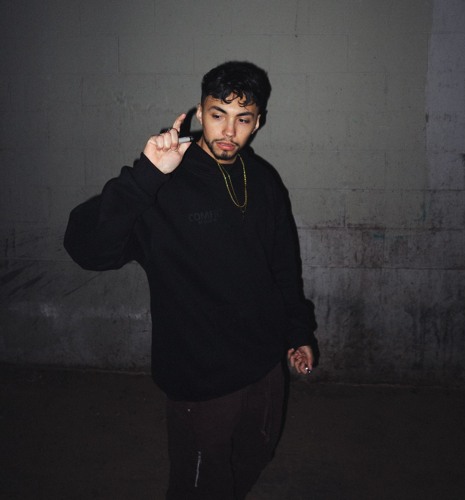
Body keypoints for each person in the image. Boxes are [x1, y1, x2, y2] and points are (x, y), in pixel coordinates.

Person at [64, 61, 316, 499]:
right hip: (199, 377)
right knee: (198, 485)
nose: (229, 131)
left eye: (243, 119)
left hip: (263, 365)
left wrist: (297, 332)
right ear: (200, 112)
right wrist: (145, 175)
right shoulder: (164, 182)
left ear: (259, 122)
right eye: (218, 115)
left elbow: (283, 266)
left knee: (254, 455)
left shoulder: (264, 180)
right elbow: (86, 248)